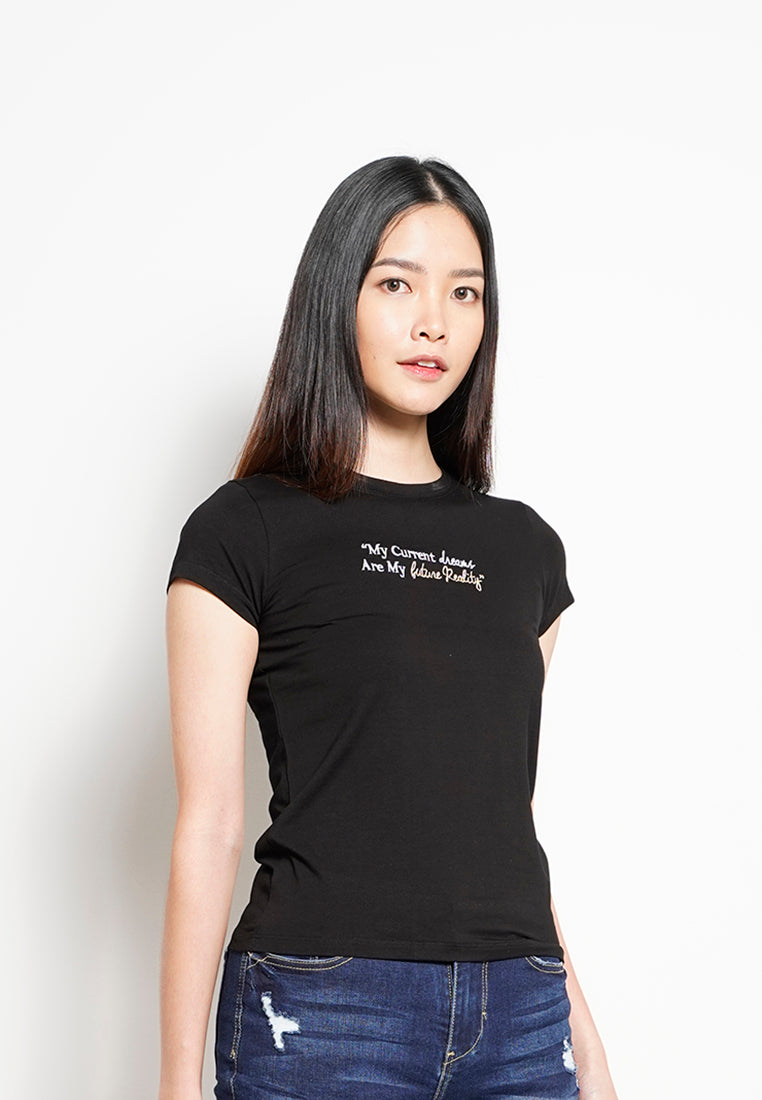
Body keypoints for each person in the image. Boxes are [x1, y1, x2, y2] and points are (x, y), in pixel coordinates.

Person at [160, 156, 619, 1100]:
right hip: (325, 1009)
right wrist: (173, 1082)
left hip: (522, 1013)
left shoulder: (525, 551)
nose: (433, 322)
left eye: (465, 293)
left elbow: (503, 817)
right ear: (339, 298)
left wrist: (584, 1036)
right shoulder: (246, 529)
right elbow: (208, 823)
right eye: (397, 284)